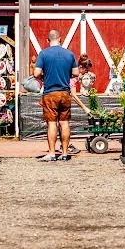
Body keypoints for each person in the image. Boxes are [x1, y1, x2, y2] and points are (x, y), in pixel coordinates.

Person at [33, 30, 78, 162]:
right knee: (64, 123)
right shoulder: (69, 54)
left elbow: (36, 74)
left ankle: (52, 153)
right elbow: (75, 73)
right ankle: (64, 153)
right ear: (60, 39)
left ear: (48, 40)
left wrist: (44, 75)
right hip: (65, 93)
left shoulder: (43, 54)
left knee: (52, 123)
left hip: (50, 93)